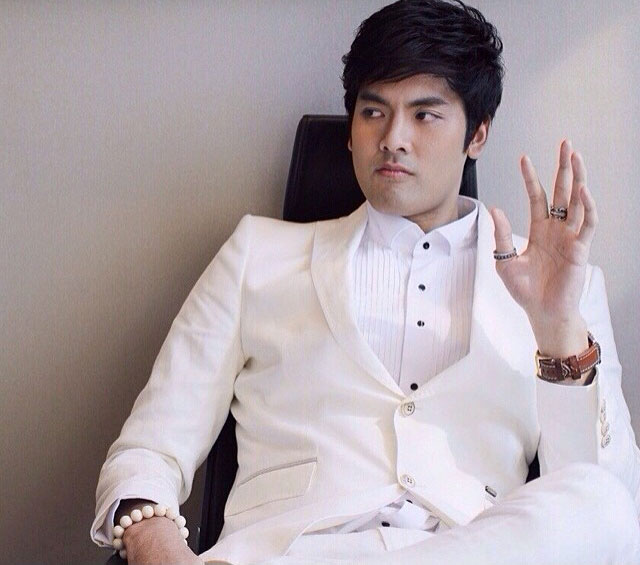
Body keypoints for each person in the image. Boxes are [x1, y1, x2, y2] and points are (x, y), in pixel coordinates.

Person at [91, 1, 640, 563]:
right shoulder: (257, 254)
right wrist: (162, 550)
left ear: (477, 134)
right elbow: (148, 449)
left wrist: (558, 330)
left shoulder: (562, 285)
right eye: (373, 111)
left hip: (468, 547)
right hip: (291, 552)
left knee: (604, 502)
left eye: (425, 115)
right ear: (352, 130)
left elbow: (608, 505)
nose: (393, 138)